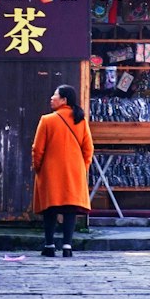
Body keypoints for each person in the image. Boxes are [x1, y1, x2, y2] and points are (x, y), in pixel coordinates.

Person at [31, 83, 93, 259]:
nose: (51, 98)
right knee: (69, 210)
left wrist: (38, 168)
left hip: (51, 171)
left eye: (55, 95)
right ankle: (67, 246)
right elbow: (88, 149)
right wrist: (82, 168)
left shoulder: (47, 120)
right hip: (74, 171)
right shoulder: (81, 120)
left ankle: (49, 245)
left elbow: (38, 149)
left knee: (50, 208)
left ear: (64, 100)